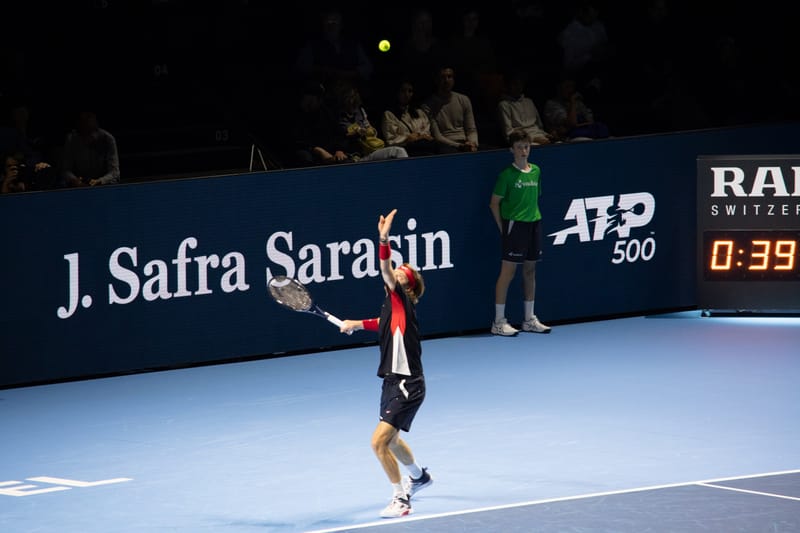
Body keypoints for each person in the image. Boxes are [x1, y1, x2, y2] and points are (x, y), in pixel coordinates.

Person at [339, 208, 433, 519]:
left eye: (401, 272)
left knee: (378, 442)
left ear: (405, 286)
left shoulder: (401, 298)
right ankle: (420, 477)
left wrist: (383, 238)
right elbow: (381, 323)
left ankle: (401, 500)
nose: (396, 271)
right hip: (392, 382)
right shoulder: (394, 310)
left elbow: (384, 267)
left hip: (407, 384)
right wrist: (355, 322)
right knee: (392, 440)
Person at [489, 129, 551, 336]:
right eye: (519, 147)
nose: (524, 151)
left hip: (534, 223)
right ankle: (498, 322)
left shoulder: (537, 171)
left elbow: (535, 198)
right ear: (511, 150)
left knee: (530, 271)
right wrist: (503, 228)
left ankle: (529, 319)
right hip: (514, 226)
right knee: (508, 273)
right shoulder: (506, 175)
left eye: (526, 147)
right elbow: (494, 204)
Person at [333, 82, 408, 162]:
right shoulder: (336, 118)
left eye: (354, 102)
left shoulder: (360, 111)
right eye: (349, 100)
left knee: (399, 151)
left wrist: (368, 130)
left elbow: (371, 131)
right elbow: (337, 140)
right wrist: (339, 149)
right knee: (397, 151)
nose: (352, 105)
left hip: (370, 151)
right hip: (353, 157)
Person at [422, 66, 479, 154]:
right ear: (436, 80)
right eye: (443, 77)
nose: (446, 80)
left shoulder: (463, 99)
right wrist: (460, 146)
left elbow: (471, 129)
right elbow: (437, 136)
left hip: (466, 143)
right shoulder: (428, 106)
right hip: (446, 145)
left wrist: (473, 143)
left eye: (449, 76)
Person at [61, 110, 120, 187]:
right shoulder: (71, 139)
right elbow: (66, 170)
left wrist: (100, 181)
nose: (88, 136)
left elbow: (114, 172)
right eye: (84, 133)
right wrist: (75, 181)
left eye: (91, 132)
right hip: (78, 185)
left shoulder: (108, 139)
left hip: (103, 185)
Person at [380, 78, 438, 157]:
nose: (406, 94)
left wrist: (418, 136)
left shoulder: (419, 112)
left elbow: (426, 132)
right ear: (397, 92)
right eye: (403, 91)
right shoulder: (389, 114)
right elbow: (391, 139)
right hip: (403, 150)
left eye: (410, 91)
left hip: (423, 146)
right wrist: (408, 138)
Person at [497, 70, 554, 146]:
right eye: (515, 84)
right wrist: (534, 139)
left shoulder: (529, 101)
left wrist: (546, 135)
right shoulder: (504, 105)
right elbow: (509, 134)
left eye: (520, 84)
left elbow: (539, 126)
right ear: (507, 86)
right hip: (522, 141)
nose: (518, 87)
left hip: (541, 137)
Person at [543, 76, 609, 141]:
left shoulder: (578, 102)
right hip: (566, 140)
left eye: (572, 86)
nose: (570, 90)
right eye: (567, 87)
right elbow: (572, 123)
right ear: (559, 88)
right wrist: (572, 103)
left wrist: (573, 126)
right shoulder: (551, 104)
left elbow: (591, 121)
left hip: (586, 134)